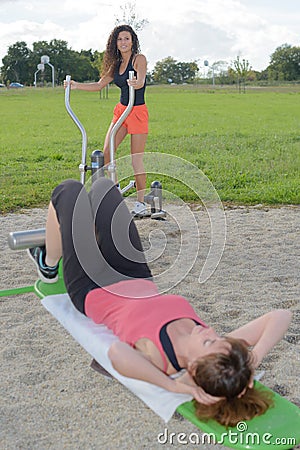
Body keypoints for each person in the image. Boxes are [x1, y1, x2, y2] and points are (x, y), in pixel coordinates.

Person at [28, 177, 292, 427]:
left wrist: (172, 386)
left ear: (192, 368)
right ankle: (80, 238)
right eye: (217, 338)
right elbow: (280, 316)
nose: (210, 331)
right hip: (135, 273)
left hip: (93, 286)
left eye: (208, 341)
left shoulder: (159, 358)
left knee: (70, 191)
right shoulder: (215, 352)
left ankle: (48, 263)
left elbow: (117, 356)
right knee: (104, 189)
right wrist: (253, 358)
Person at [64, 24, 150, 218]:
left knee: (136, 159)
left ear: (132, 41)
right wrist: (75, 85)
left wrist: (136, 82)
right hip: (121, 111)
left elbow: (141, 80)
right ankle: (115, 193)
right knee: (107, 153)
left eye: (126, 38)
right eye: (120, 39)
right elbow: (99, 85)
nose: (123, 42)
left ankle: (141, 202)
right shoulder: (116, 64)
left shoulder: (139, 59)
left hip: (136, 112)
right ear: (115, 43)